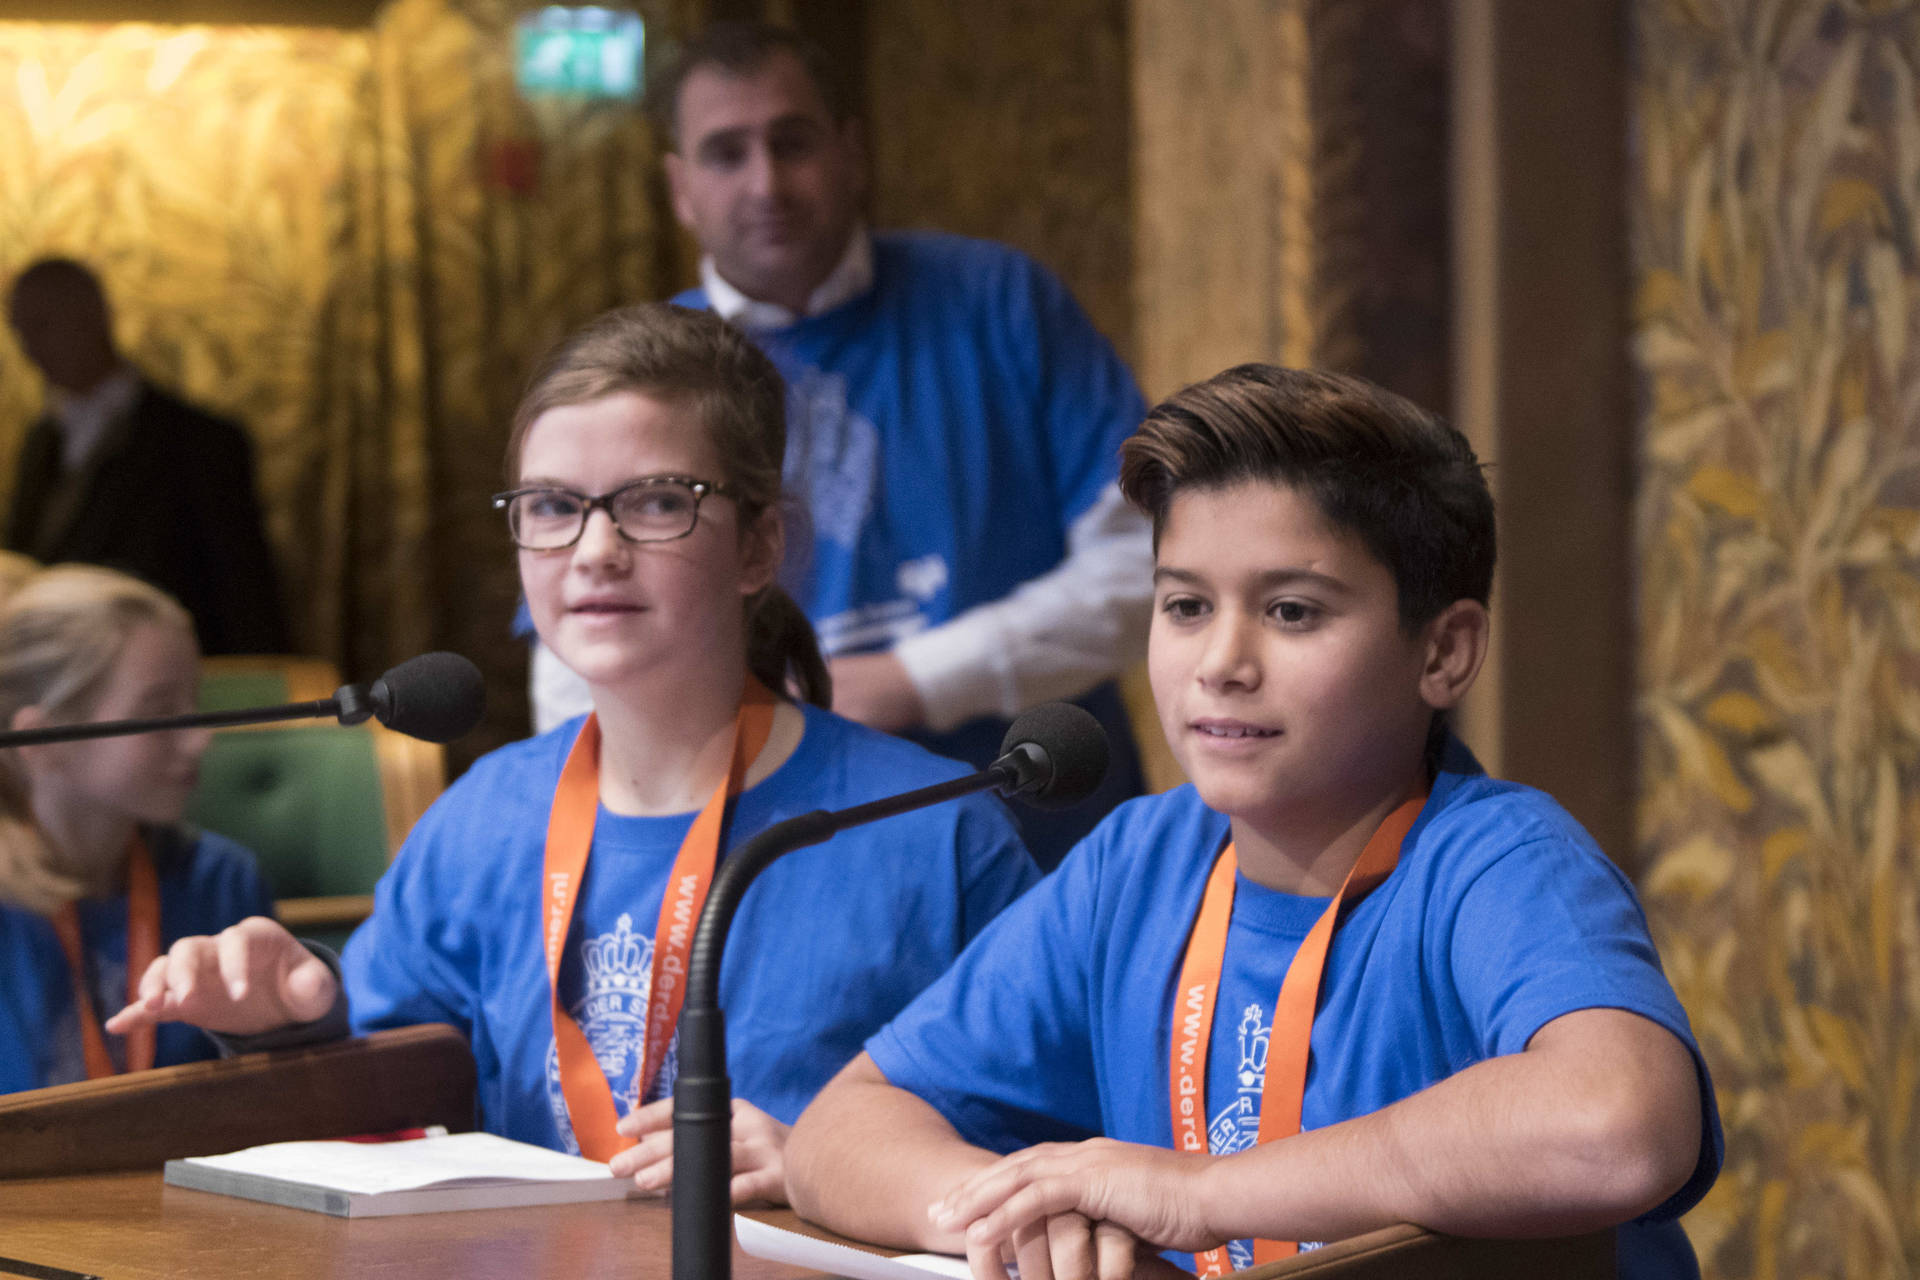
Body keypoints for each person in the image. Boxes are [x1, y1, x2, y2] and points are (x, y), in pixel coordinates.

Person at [784, 366, 1723, 1280]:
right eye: (1186, 606)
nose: (1221, 662)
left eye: (1291, 611)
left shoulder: (1500, 861)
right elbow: (839, 1132)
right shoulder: (1135, 864)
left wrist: (1205, 1194)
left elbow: (1621, 1127)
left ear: (1444, 651)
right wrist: (1029, 1218)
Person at [106, 303, 1038, 1203]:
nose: (595, 549)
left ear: (759, 547)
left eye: (659, 501)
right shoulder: (483, 818)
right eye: (553, 506)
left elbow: (1041, 1154)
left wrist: (826, 1168)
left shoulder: (936, 832)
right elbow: (385, 1094)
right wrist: (291, 1019)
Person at [529, 22, 1153, 867]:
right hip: (759, 866)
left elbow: (1148, 566)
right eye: (726, 154)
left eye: (792, 143)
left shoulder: (1002, 303)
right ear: (680, 188)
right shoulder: (637, 376)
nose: (766, 184)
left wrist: (917, 680)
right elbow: (576, 663)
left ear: (853, 153)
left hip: (1048, 843)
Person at [0, 564, 274, 1094]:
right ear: (44, 738)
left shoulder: (222, 881)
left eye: (194, 703)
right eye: (160, 710)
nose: (199, 739)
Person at [4, 257, 288, 656]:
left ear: (93, 317)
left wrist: (258, 678)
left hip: (163, 664)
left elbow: (242, 585)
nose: (31, 349)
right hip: (61, 665)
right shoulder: (41, 440)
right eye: (21, 331)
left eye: (43, 325)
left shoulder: (198, 440)